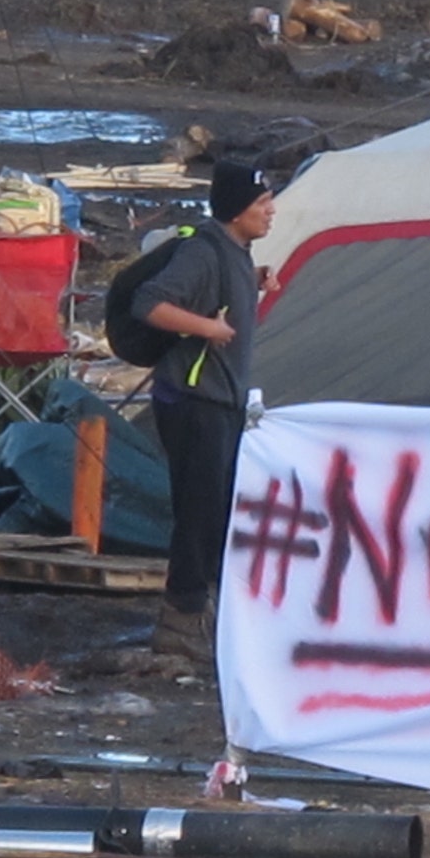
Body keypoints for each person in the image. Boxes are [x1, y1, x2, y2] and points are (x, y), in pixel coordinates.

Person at [133, 161, 277, 663]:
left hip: (221, 399)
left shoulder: (234, 252)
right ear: (237, 210)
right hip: (194, 401)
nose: (271, 212)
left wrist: (252, 281)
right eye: (263, 203)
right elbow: (149, 303)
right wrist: (208, 329)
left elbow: (217, 290)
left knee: (214, 510)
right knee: (199, 512)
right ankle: (179, 620)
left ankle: (201, 610)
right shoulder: (203, 251)